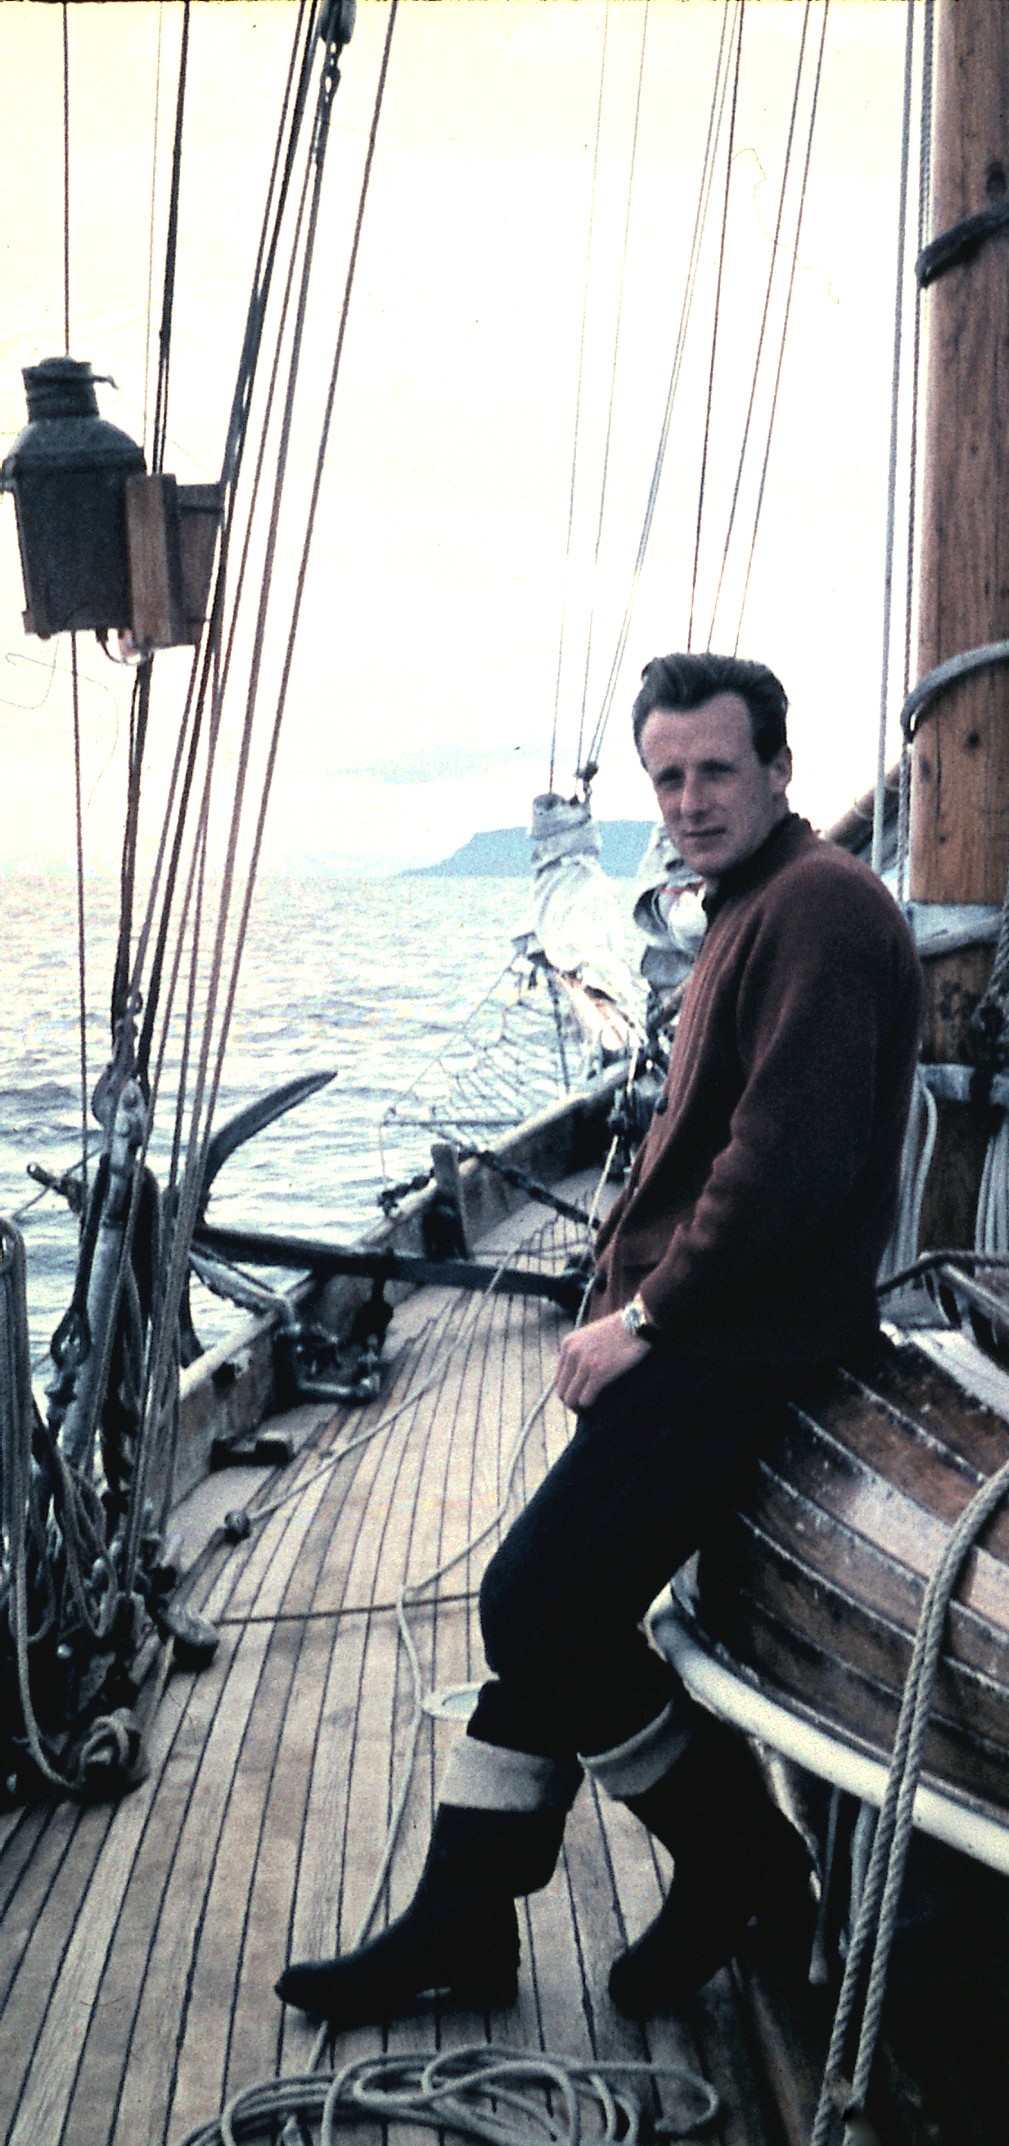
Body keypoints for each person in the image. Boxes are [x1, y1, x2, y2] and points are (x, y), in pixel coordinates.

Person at [277, 653, 924, 2028]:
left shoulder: (818, 907)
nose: (689, 801)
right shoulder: (755, 904)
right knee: (553, 1611)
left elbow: (783, 1168)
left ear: (780, 771)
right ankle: (466, 1915)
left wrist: (644, 1316)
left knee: (535, 1606)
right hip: (716, 1332)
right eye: (667, 777)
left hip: (742, 1345)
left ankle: (743, 1863)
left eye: (716, 770)